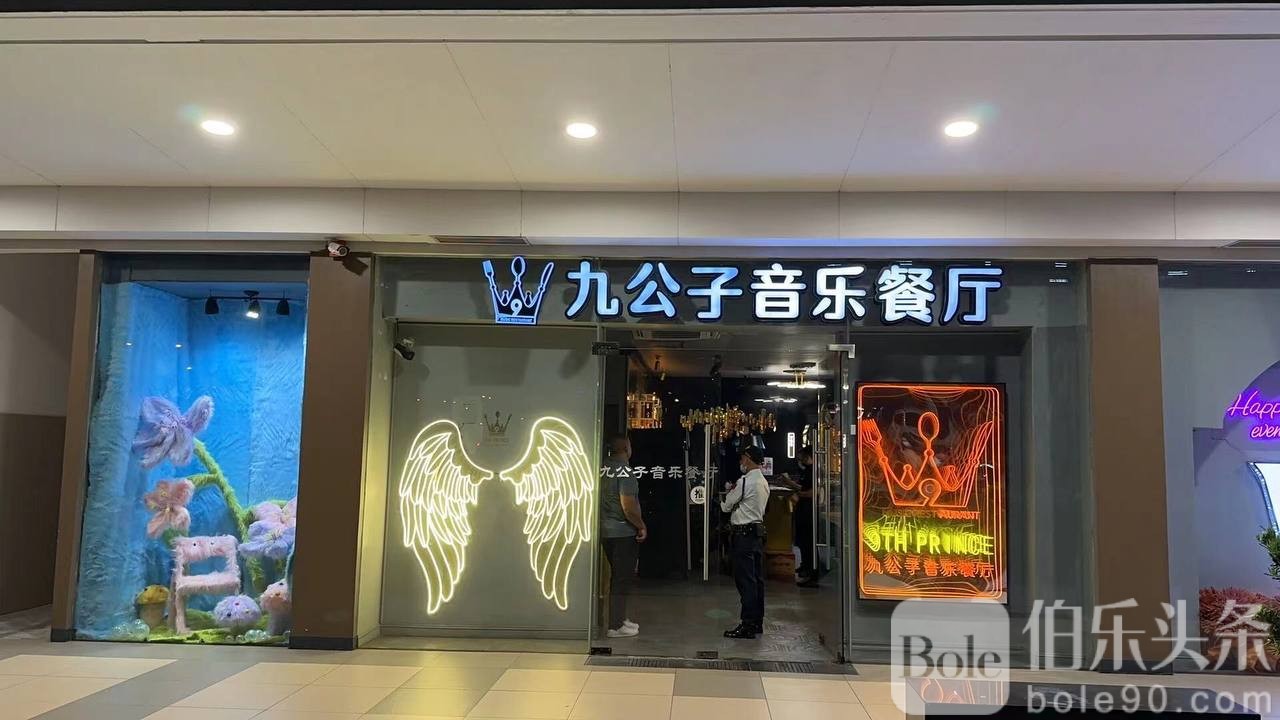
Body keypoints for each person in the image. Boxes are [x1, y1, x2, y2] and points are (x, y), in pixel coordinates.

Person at [600, 435, 647, 638]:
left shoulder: (601, 469)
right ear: (626, 449)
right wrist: (641, 525)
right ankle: (615, 625)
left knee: (616, 576)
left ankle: (619, 618)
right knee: (622, 578)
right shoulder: (625, 472)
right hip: (622, 532)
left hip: (604, 531)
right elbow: (628, 506)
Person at [722, 445, 770, 639]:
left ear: (748, 459)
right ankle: (757, 622)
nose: (741, 462)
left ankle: (747, 624)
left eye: (742, 458)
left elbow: (726, 506)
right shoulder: (763, 481)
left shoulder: (745, 481)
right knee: (756, 581)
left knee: (746, 582)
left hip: (743, 535)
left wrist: (726, 496)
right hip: (757, 534)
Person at [791, 447, 819, 588]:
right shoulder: (805, 471)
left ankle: (812, 573)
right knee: (802, 541)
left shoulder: (814, 471)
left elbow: (813, 492)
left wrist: (799, 494)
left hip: (809, 512)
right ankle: (805, 566)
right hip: (802, 511)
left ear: (807, 456)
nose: (799, 459)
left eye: (801, 456)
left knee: (809, 542)